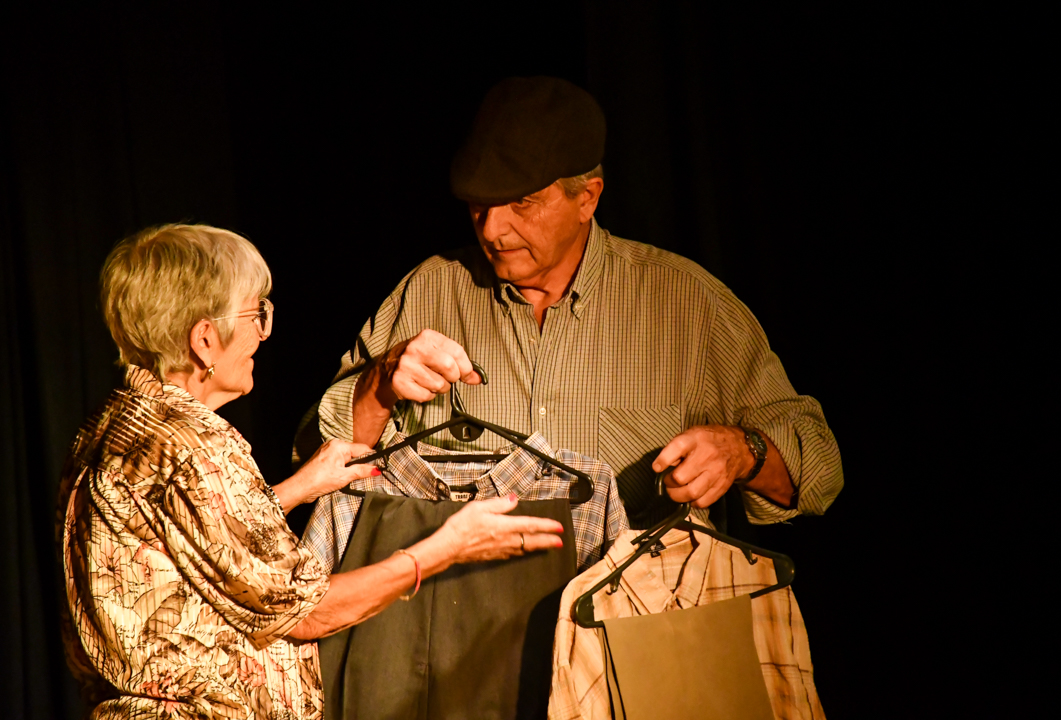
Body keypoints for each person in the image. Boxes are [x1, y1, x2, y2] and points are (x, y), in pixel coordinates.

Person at [55, 224, 564, 719]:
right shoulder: (196, 449)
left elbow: (193, 546)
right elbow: (309, 613)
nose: (263, 332)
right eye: (256, 314)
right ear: (205, 340)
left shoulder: (113, 426)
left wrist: (301, 487)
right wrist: (446, 548)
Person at [302, 75, 843, 535]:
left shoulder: (688, 305)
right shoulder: (430, 291)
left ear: (587, 198)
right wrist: (379, 385)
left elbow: (819, 471)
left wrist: (744, 451)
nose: (492, 230)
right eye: (478, 206)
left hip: (628, 616)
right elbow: (314, 462)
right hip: (459, 614)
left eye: (522, 204)